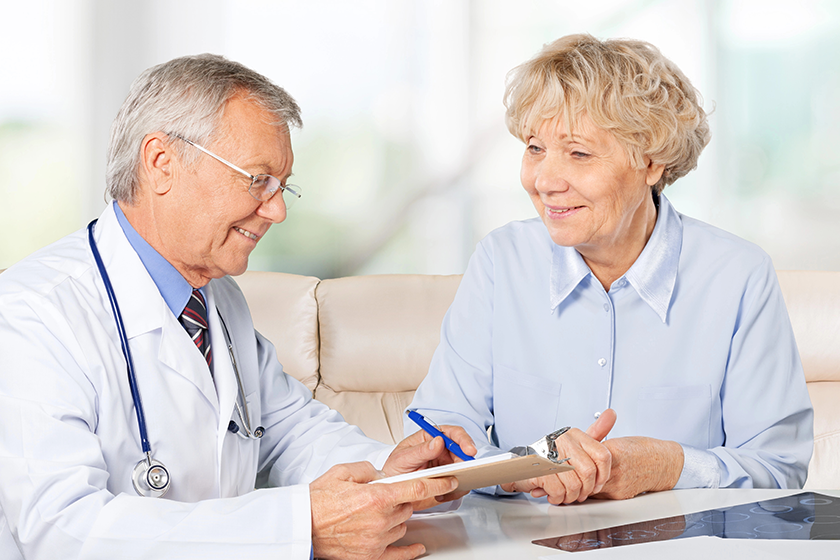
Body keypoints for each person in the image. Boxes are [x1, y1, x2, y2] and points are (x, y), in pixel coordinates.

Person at [0, 54, 477, 560]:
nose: (278, 209)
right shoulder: (33, 315)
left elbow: (288, 432)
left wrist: (390, 474)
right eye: (258, 180)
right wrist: (300, 528)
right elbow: (62, 531)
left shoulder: (217, 298)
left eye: (282, 186)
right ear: (162, 163)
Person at [406, 34, 813, 505]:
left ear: (651, 161)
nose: (544, 181)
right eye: (535, 148)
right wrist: (525, 467)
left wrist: (668, 465)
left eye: (578, 153)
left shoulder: (738, 276)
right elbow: (439, 434)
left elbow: (779, 467)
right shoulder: (502, 261)